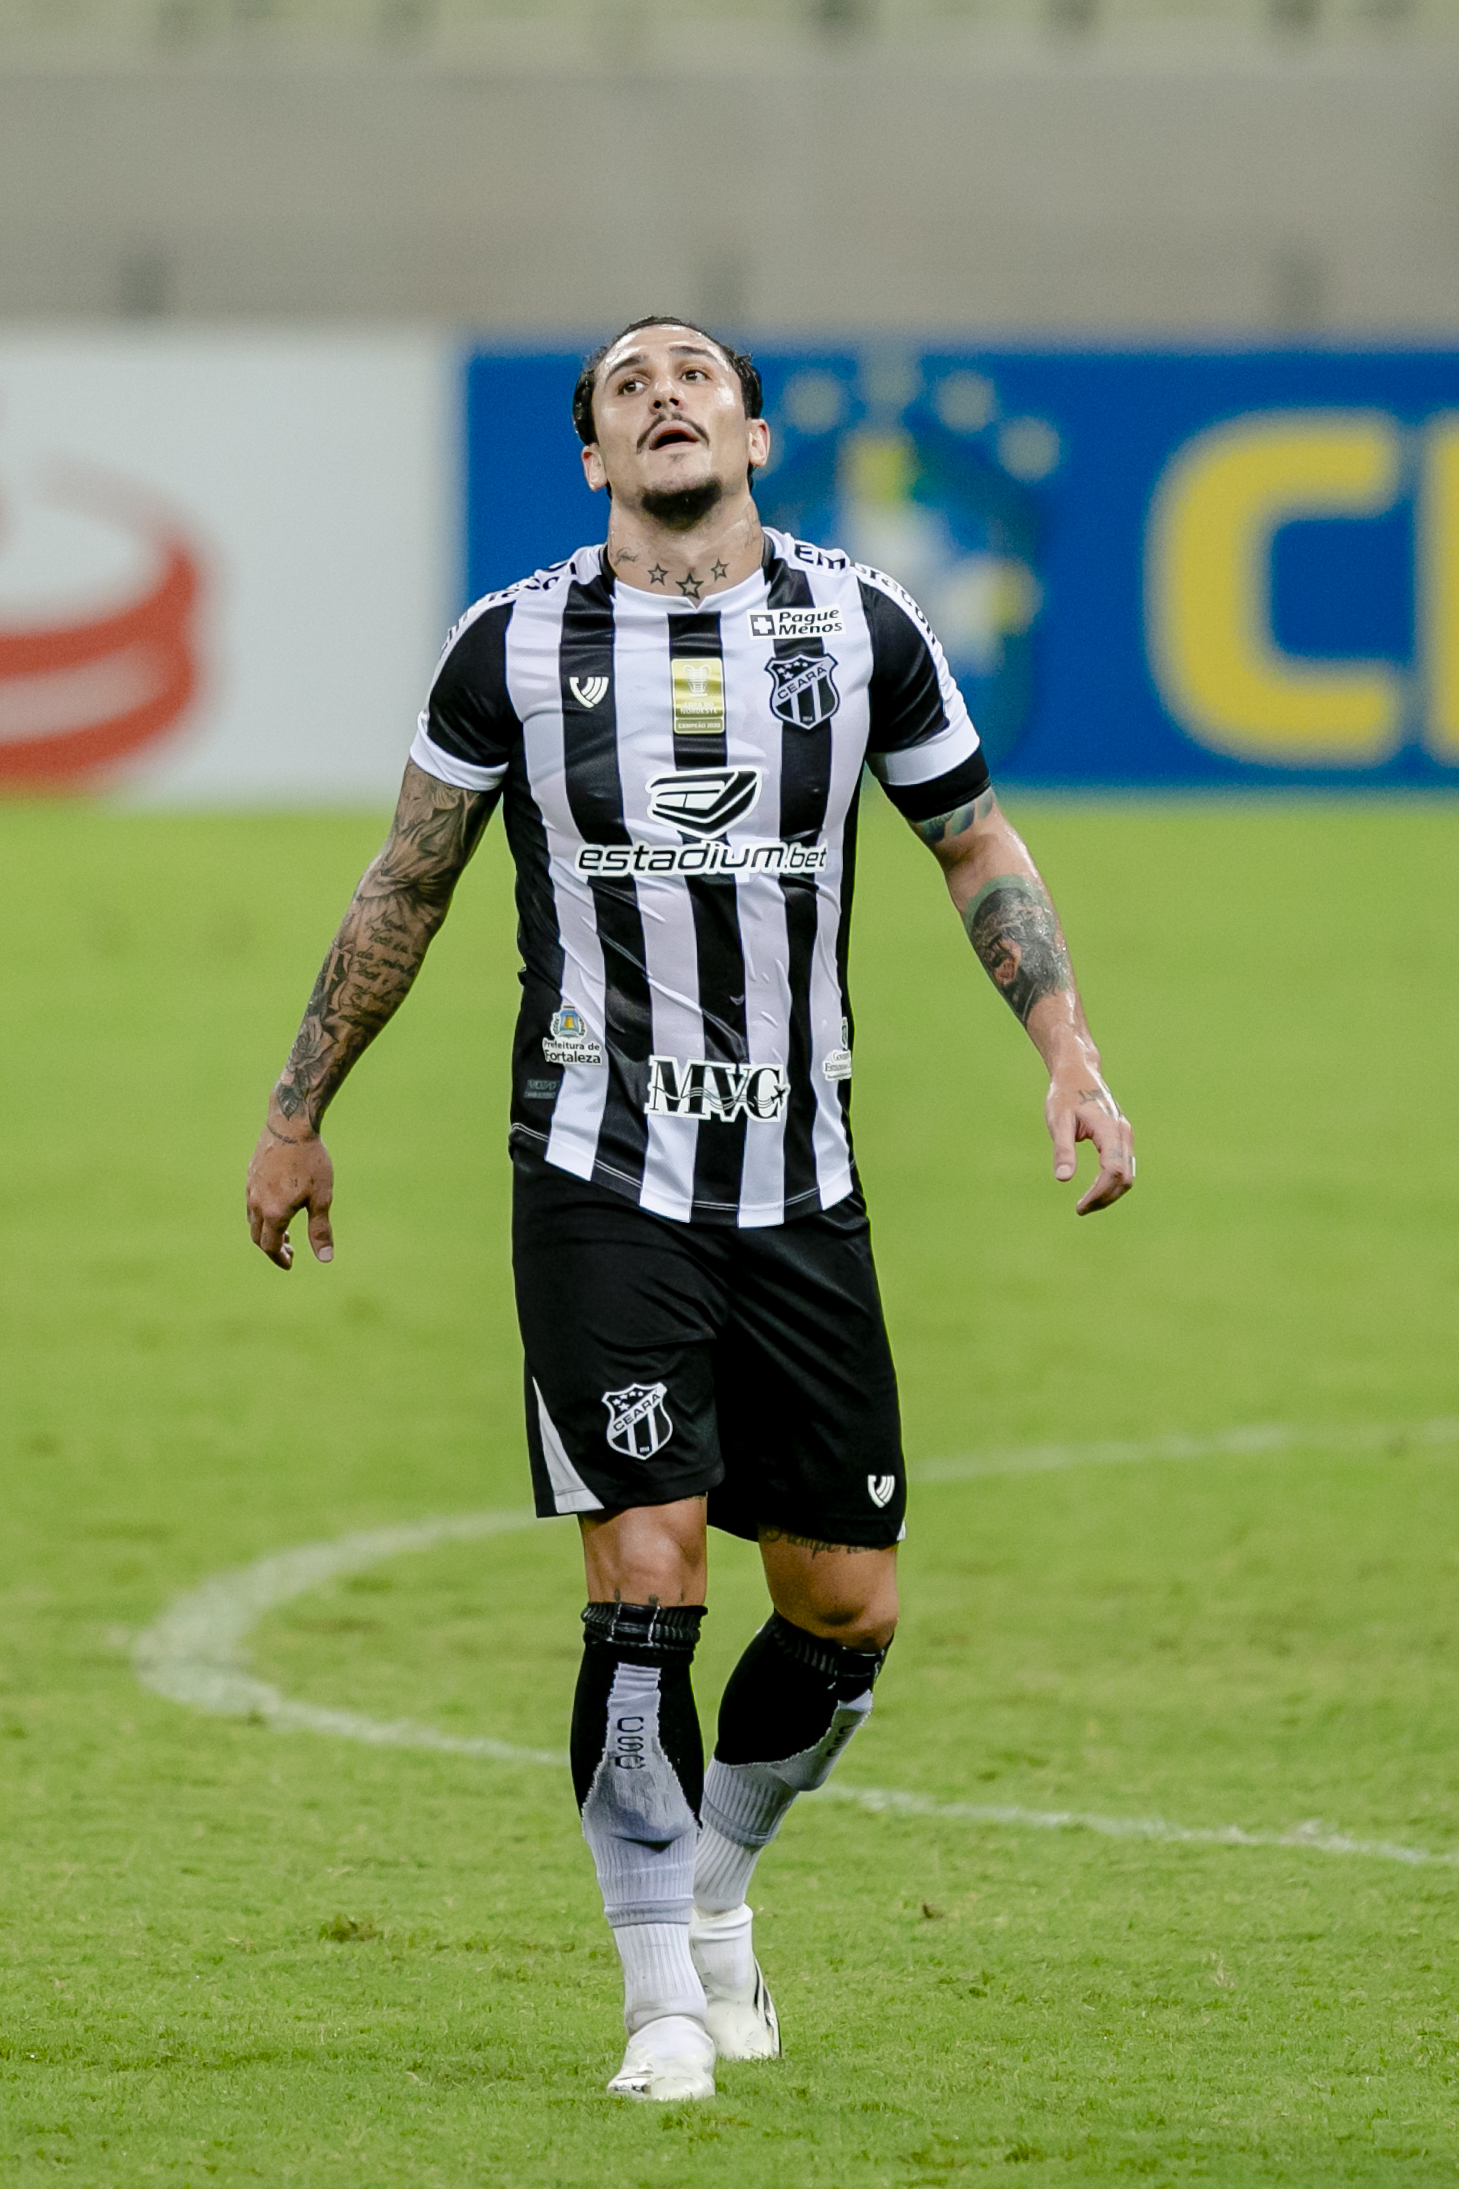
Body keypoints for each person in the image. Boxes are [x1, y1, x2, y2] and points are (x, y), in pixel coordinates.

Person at [245, 316, 1135, 2102]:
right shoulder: (511, 645)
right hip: (599, 1173)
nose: (664, 392)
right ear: (594, 455)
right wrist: (297, 1108)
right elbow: (408, 881)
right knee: (645, 1569)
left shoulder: (862, 627)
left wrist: (1070, 1049)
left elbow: (972, 839)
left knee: (847, 1604)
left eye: (695, 374)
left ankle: (715, 1879)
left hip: (802, 1183)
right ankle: (660, 1993)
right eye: (628, 384)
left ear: (753, 431)